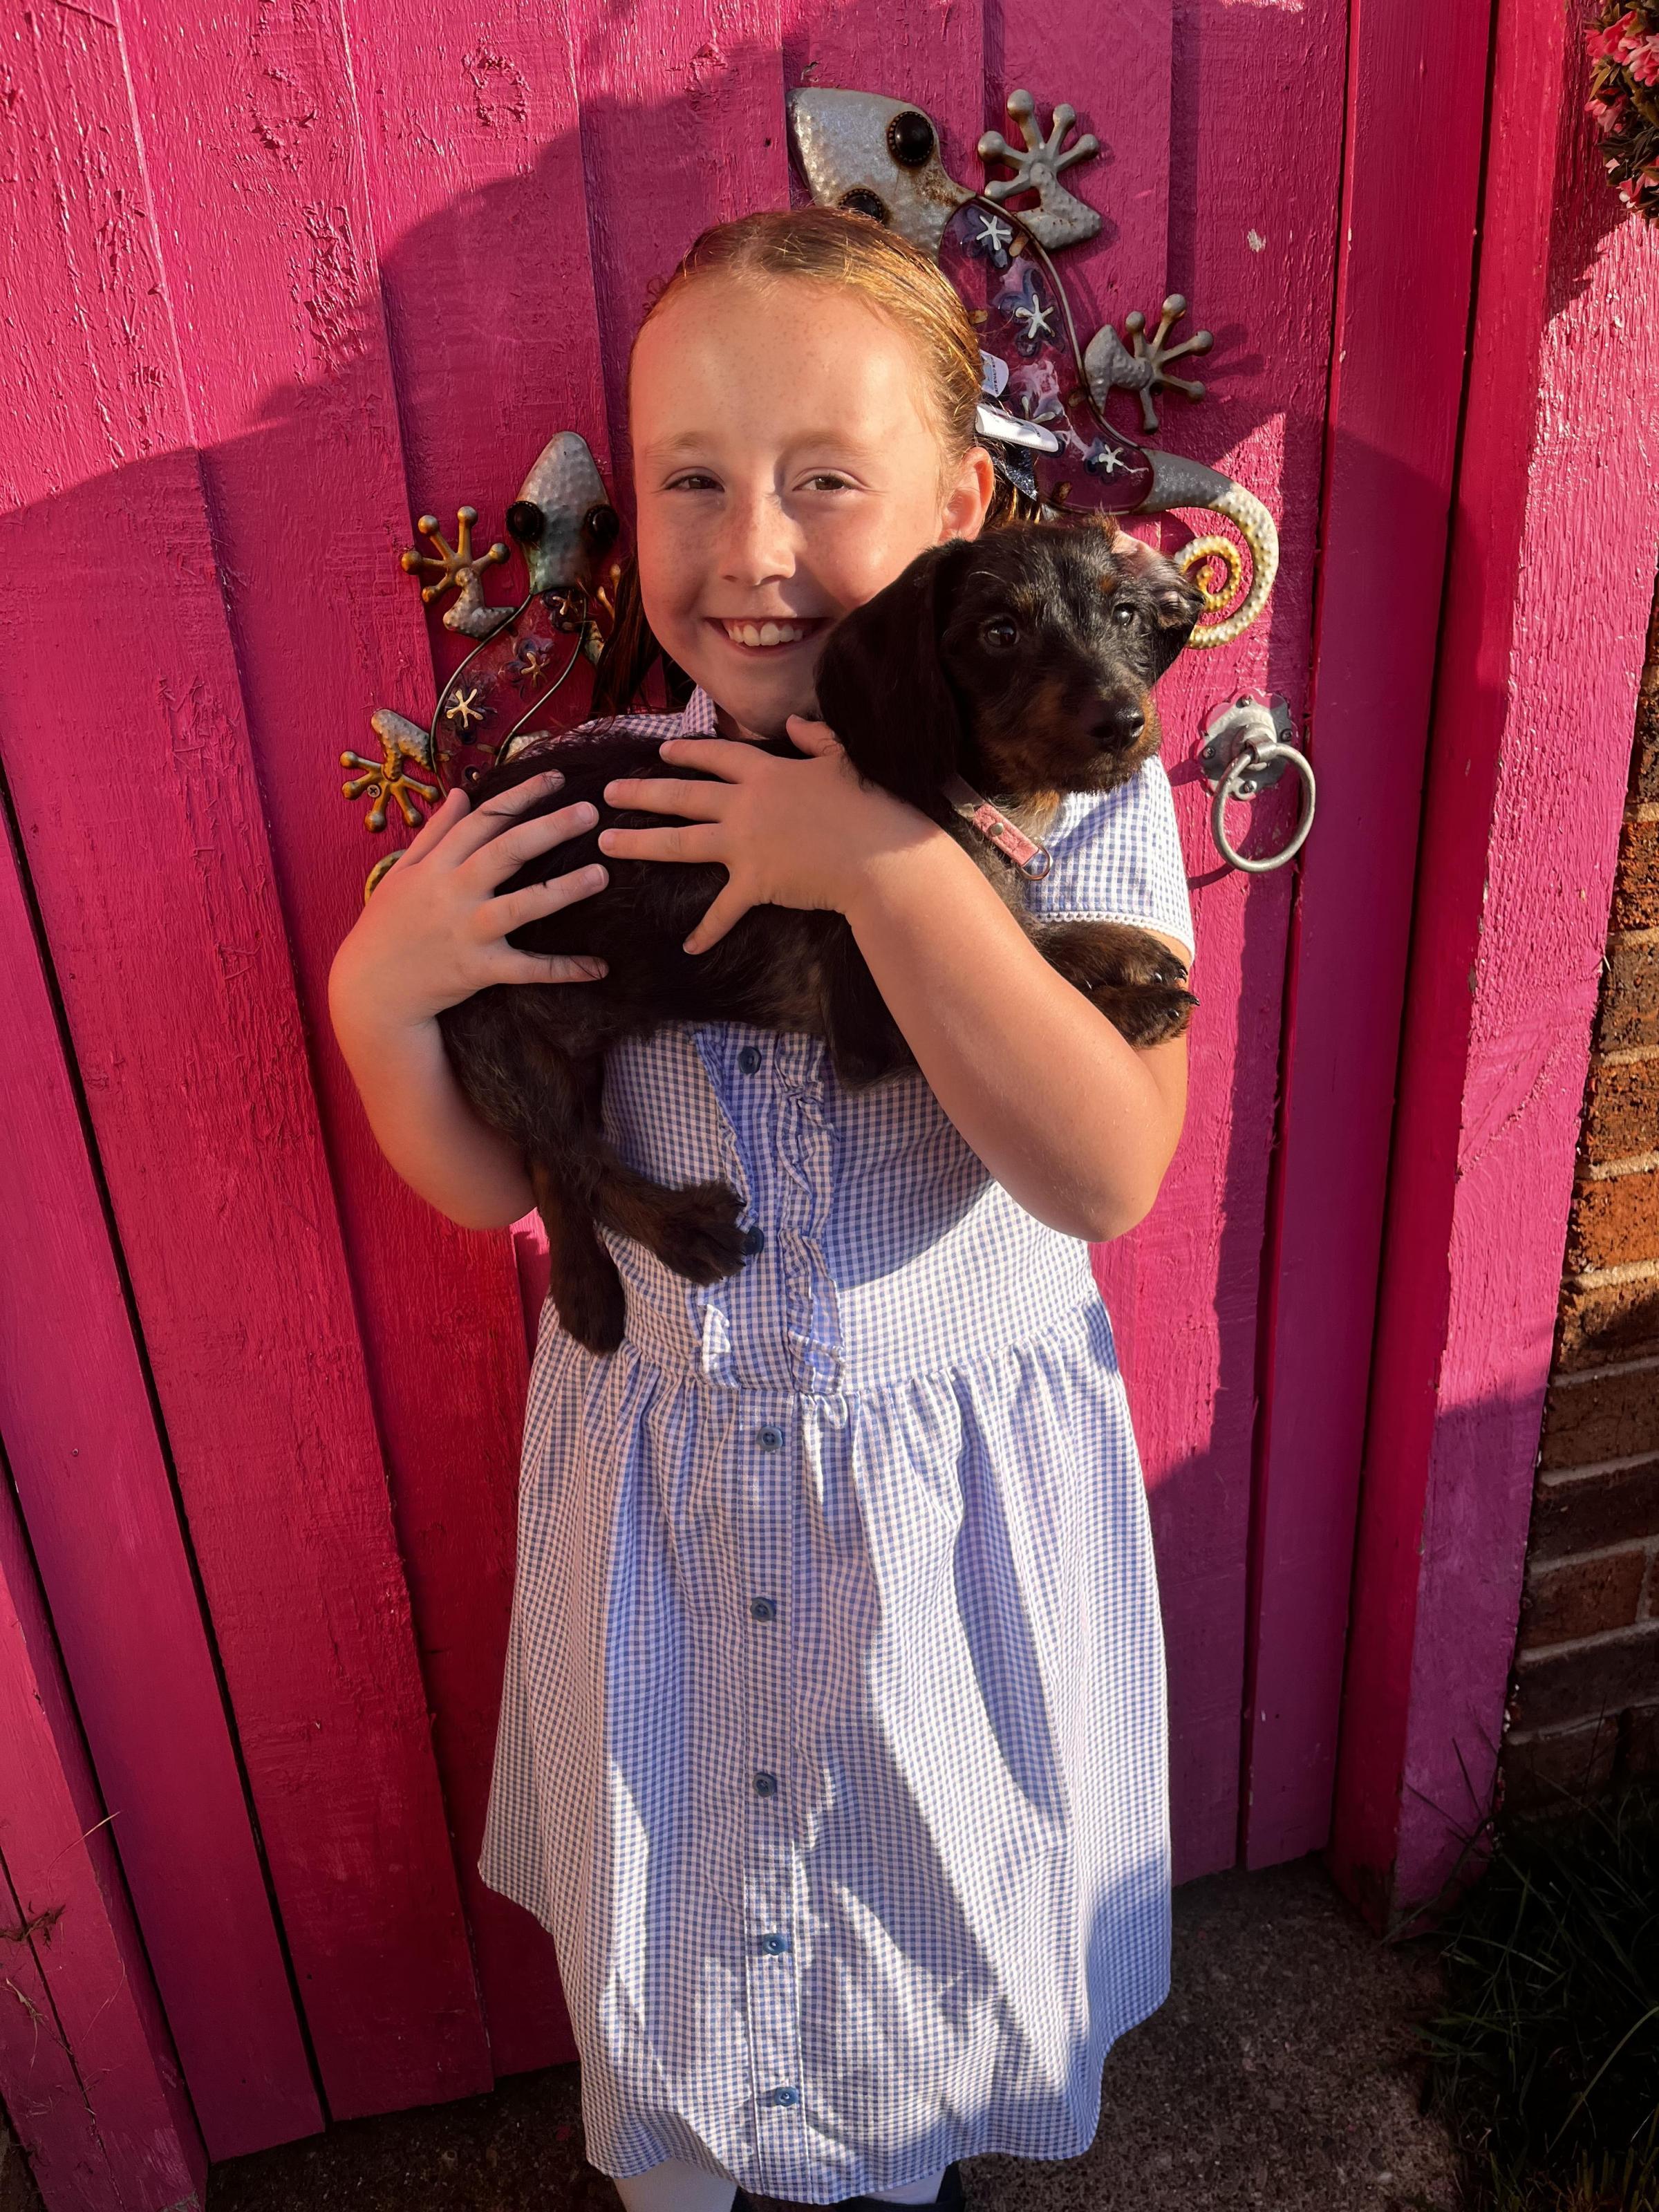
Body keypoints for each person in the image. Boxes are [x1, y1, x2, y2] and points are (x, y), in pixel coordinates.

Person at [328, 207, 1194, 2212]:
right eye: (694, 484)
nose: (756, 549)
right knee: (694, 1946)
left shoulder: (1072, 787)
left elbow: (1104, 1166)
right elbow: (490, 1180)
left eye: (827, 479)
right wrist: (381, 1002)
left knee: (923, 1949)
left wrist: (880, 865)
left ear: (968, 506)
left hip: (936, 1525)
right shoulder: (595, 801)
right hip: (682, 1515)